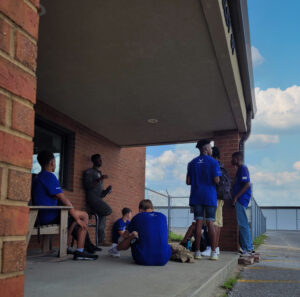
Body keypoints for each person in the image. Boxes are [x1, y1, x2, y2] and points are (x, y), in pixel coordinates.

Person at [32, 150, 98, 260]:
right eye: (55, 161)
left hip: (40, 216)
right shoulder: (49, 176)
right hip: (48, 216)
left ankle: (67, 247)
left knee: (71, 216)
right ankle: (80, 251)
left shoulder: (37, 177)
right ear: (52, 162)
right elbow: (64, 200)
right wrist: (77, 219)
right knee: (83, 216)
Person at [186, 139, 221, 260]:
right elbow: (217, 180)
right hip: (209, 196)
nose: (211, 150)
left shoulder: (191, 163)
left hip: (196, 196)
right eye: (210, 148)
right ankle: (213, 252)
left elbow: (188, 182)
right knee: (210, 222)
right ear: (206, 149)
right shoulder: (213, 162)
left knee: (198, 223)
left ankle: (197, 252)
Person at [109, 199, 171, 266]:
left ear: (140, 210)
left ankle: (115, 249)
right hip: (164, 259)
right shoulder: (163, 216)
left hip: (143, 259)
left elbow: (124, 235)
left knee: (133, 236)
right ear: (152, 208)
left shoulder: (138, 217)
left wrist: (130, 236)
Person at [202, 146, 231, 257]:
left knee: (211, 223)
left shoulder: (213, 165)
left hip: (213, 197)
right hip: (220, 198)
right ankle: (216, 247)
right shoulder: (222, 166)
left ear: (212, 154)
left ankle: (211, 247)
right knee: (217, 223)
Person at [83, 154, 112, 244]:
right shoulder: (89, 172)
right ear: (94, 161)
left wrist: (107, 191)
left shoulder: (99, 174)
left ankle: (101, 240)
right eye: (99, 160)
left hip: (98, 199)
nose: (101, 161)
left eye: (101, 160)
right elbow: (87, 186)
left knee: (103, 215)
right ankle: (100, 240)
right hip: (92, 199)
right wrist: (99, 179)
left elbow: (101, 194)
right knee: (108, 210)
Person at [231, 151, 254, 256]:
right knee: (242, 224)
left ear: (237, 158)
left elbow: (247, 184)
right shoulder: (239, 170)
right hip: (240, 200)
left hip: (241, 200)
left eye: (233, 158)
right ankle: (248, 247)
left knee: (243, 224)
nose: (232, 160)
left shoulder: (243, 168)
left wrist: (236, 197)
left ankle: (247, 249)